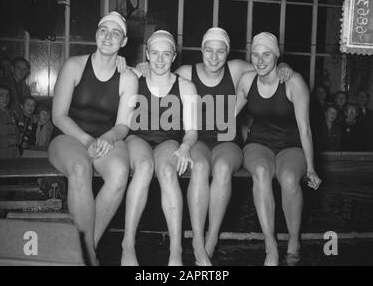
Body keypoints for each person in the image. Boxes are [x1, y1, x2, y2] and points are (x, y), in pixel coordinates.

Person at [136, 27, 293, 266]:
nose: (214, 57)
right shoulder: (187, 72)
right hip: (197, 139)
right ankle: (198, 241)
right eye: (209, 50)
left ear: (228, 52)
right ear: (201, 50)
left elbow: (266, 65)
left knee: (221, 169)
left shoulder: (237, 68)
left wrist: (283, 67)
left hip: (227, 141)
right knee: (199, 167)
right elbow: (161, 77)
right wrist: (143, 67)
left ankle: (212, 237)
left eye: (221, 51)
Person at [48, 11, 138, 265]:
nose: (108, 36)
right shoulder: (74, 65)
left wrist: (108, 137)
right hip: (69, 135)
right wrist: (87, 141)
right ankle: (88, 256)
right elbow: (59, 116)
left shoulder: (128, 78)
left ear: (124, 42)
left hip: (106, 137)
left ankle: (85, 251)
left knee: (120, 173)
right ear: (96, 34)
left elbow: (122, 125)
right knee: (79, 167)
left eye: (116, 33)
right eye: (103, 30)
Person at [236, 32, 322, 266]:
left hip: (291, 144)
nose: (260, 60)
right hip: (258, 143)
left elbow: (305, 129)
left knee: (289, 178)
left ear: (277, 56)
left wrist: (311, 168)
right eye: (255, 55)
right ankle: (270, 245)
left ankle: (294, 240)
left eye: (266, 55)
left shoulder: (293, 82)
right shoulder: (246, 80)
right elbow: (226, 115)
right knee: (262, 173)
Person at [121, 30, 198, 266]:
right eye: (155, 53)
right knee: (144, 167)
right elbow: (113, 70)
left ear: (174, 56)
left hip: (168, 139)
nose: (160, 60)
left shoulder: (185, 86)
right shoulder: (135, 78)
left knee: (166, 171)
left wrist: (185, 147)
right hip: (137, 137)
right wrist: (126, 64)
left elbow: (192, 130)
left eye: (166, 54)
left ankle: (176, 250)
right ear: (147, 54)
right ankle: (128, 244)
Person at [0, 84, 20, 158]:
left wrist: (18, 138)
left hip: (13, 154)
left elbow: (16, 132)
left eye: (7, 95)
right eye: (1, 95)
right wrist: (6, 141)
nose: (5, 98)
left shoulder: (11, 113)